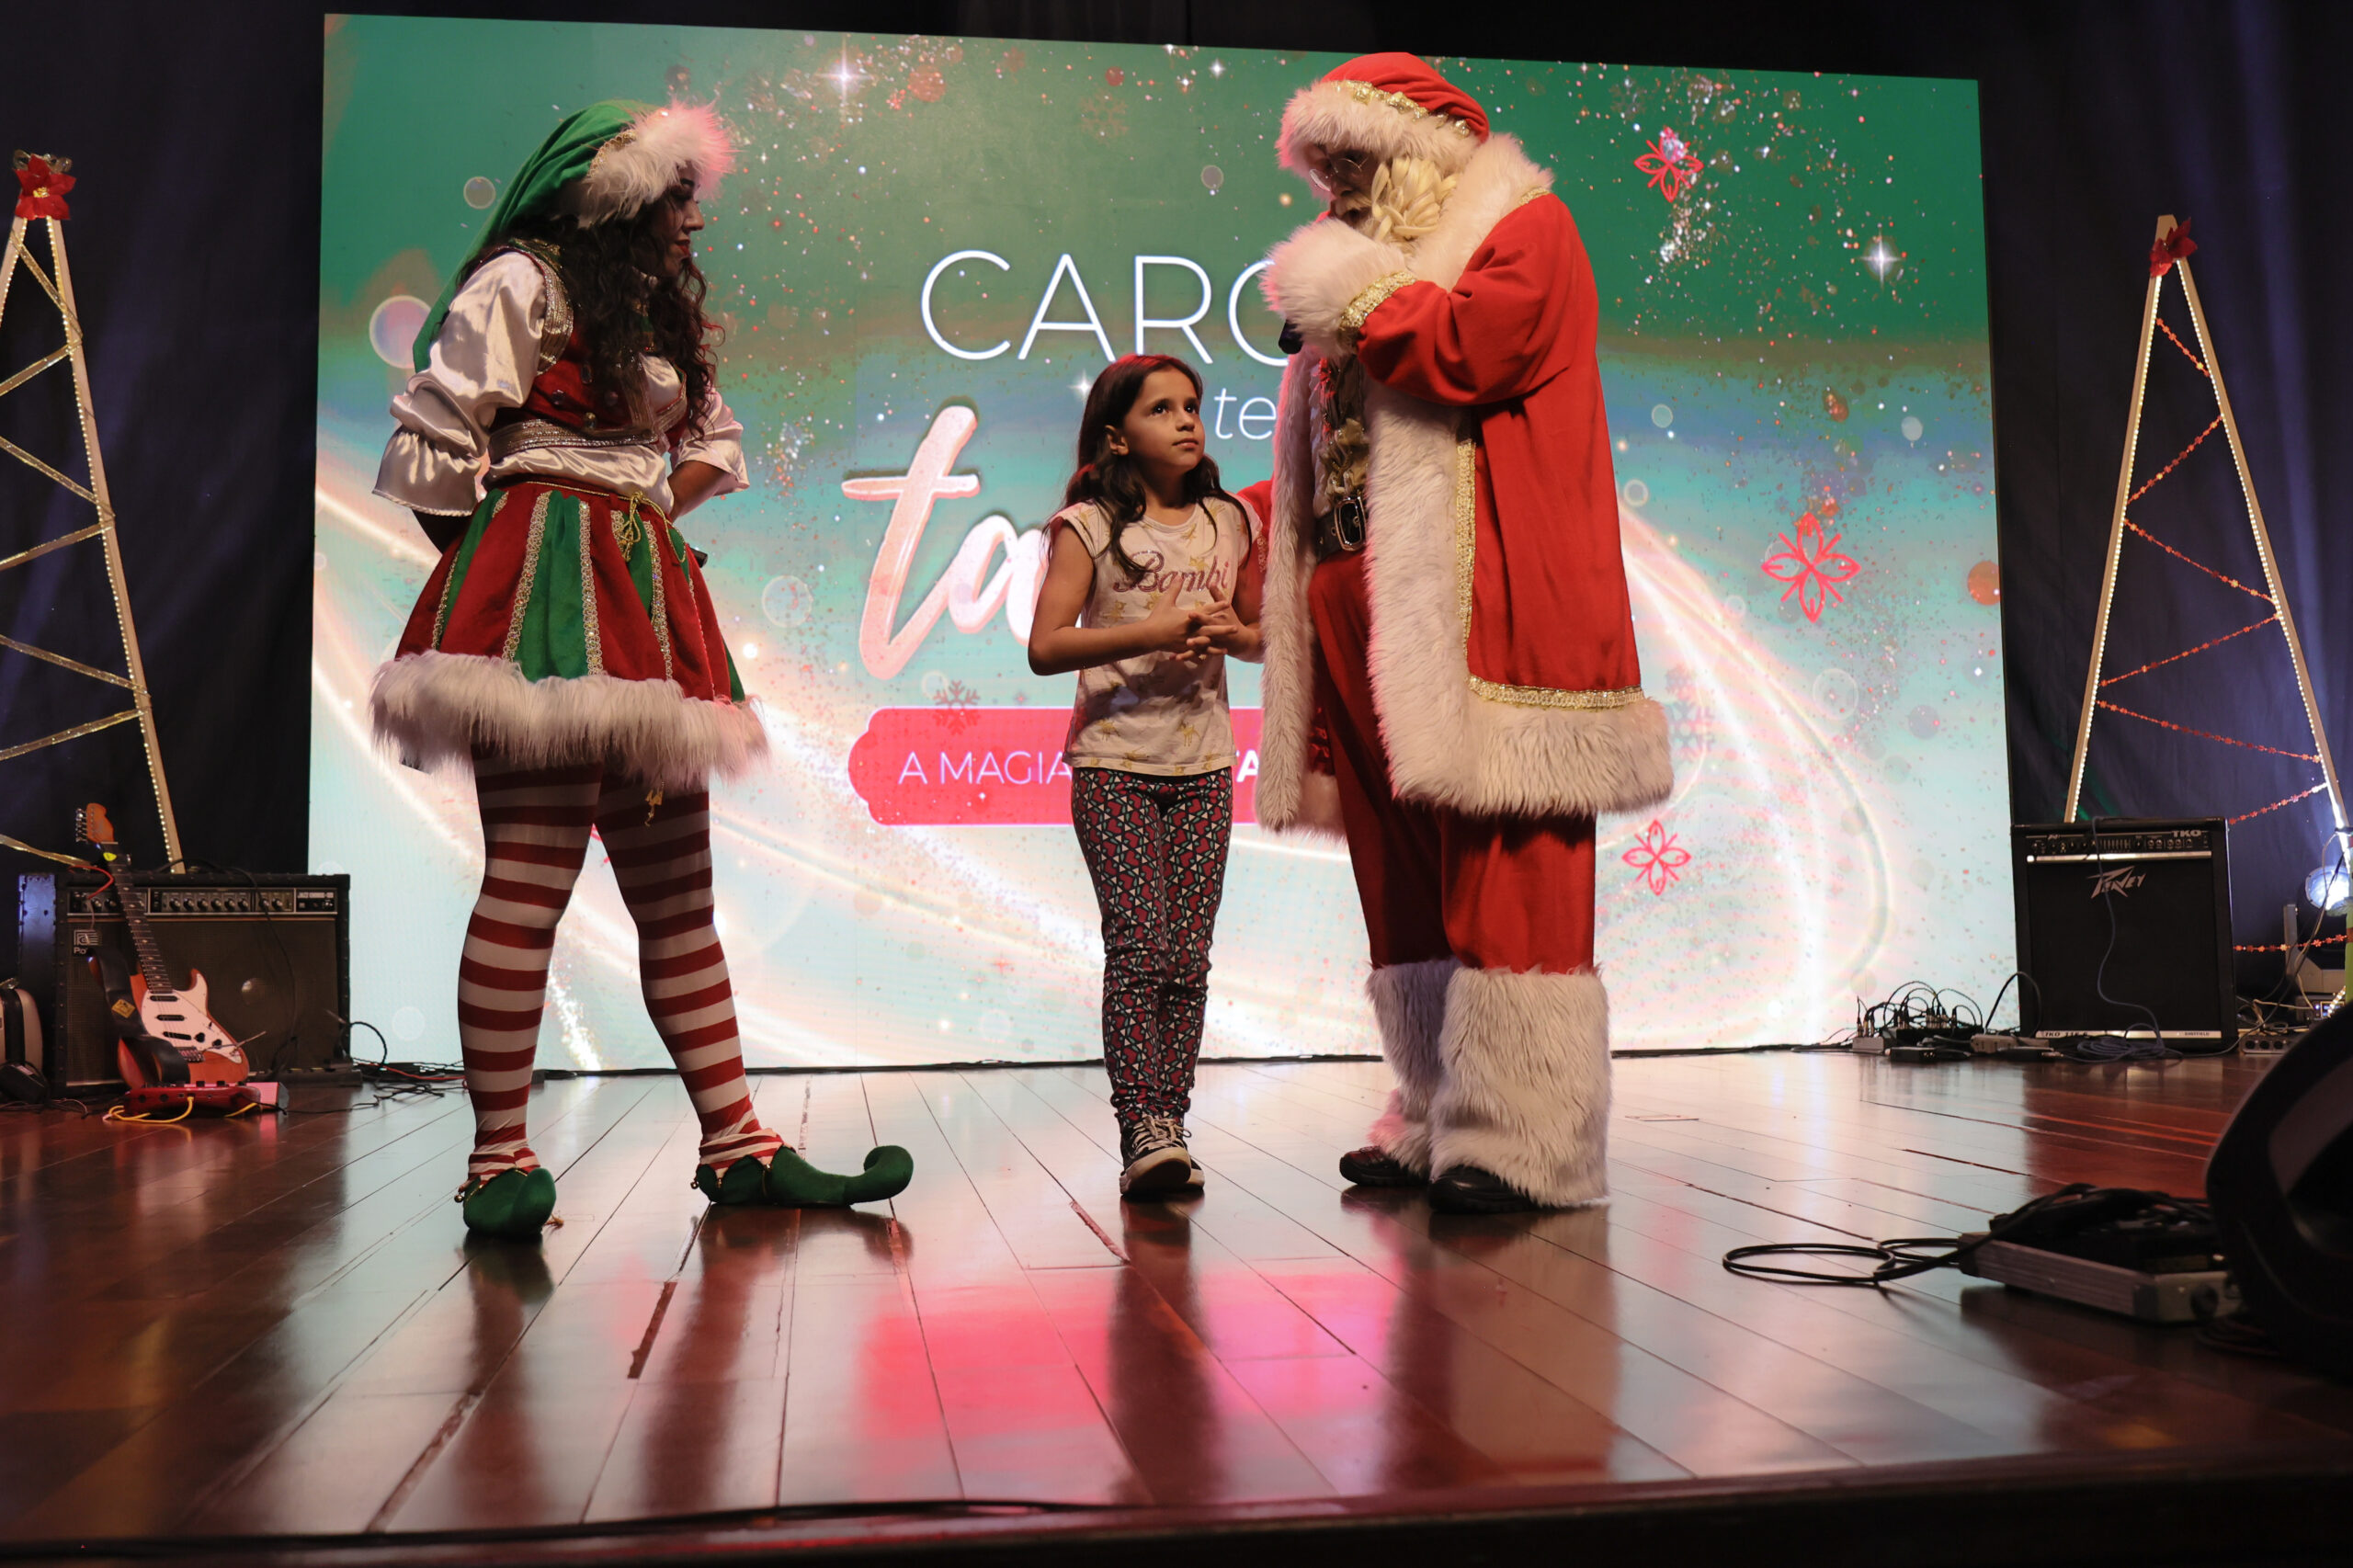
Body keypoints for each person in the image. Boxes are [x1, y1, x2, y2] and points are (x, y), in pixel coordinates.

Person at [371, 99, 911, 1238]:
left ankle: (737, 1143)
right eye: (675, 198)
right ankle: (499, 1158)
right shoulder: (524, 282)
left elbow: (710, 444)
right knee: (530, 876)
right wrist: (511, 561)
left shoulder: (648, 314)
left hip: (641, 606)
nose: (692, 221)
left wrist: (640, 522)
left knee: (677, 895)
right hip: (542, 604)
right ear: (614, 198)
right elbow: (434, 437)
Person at [1256, 55, 1674, 1212]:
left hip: (1484, 598)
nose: (1336, 186)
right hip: (1359, 589)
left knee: (1505, 854)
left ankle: (1523, 1136)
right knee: (1398, 866)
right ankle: (1435, 1107)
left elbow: (1469, 351)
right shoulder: (1360, 275)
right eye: (1322, 167)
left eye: (1354, 158)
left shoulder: (1522, 228)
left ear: (1421, 152)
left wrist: (1353, 289)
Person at [1028, 355, 1263, 1198]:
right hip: (1114, 764)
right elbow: (1045, 646)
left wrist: (1236, 637)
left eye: (1192, 404)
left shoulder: (1232, 521)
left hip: (1204, 765)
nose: (1186, 419)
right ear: (1117, 436)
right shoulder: (1087, 527)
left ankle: (1171, 1121)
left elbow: (1263, 636)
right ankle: (1142, 1127)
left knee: (1189, 958)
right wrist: (1152, 632)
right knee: (1140, 948)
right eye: (1161, 408)